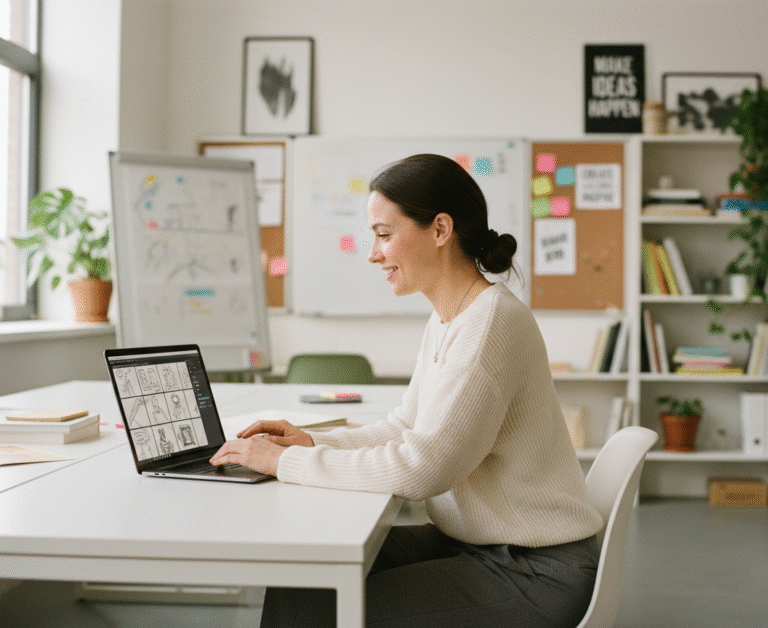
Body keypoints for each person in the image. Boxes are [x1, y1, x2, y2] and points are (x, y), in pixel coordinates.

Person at [211, 154, 604, 627]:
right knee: (304, 576)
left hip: (532, 571)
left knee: (325, 610)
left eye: (383, 234)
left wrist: (283, 462)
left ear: (440, 230)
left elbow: (423, 470)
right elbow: (404, 426)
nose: (373, 254)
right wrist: (312, 441)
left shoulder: (490, 323)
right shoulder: (449, 316)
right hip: (478, 543)